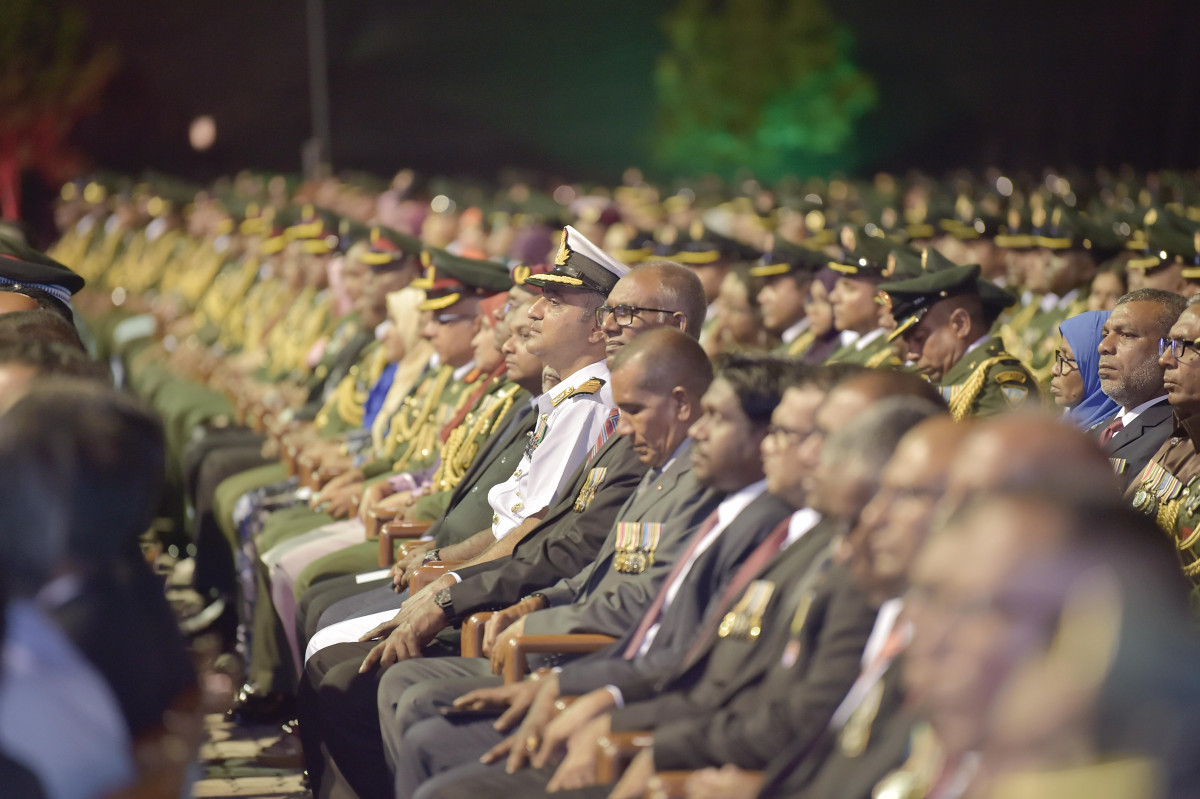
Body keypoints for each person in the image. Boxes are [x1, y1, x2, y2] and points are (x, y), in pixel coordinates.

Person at [880, 254, 1034, 419]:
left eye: (919, 339)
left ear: (960, 324)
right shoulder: (921, 376)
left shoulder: (999, 380)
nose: (911, 354)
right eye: (908, 341)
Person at [1095, 289, 1184, 486]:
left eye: (1127, 335)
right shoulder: (1098, 430)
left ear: (1169, 349)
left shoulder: (1175, 436)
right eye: (1105, 334)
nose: (1104, 346)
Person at [1052, 310, 1119, 430]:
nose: (1054, 370)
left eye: (1066, 358)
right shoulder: (1064, 425)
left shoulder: (1113, 434)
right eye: (1059, 356)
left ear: (1097, 365)